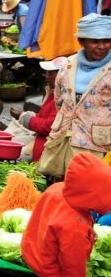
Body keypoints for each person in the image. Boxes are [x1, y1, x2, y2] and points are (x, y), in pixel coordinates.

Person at [21, 153, 111, 277]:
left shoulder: (58, 189)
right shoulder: (74, 225)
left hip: (37, 255)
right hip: (53, 273)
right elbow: (72, 262)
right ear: (92, 194)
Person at [43, 14, 111, 171]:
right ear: (82, 41)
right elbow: (59, 100)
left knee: (91, 189)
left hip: (98, 145)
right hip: (63, 140)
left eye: (107, 41)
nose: (102, 46)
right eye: (95, 41)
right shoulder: (67, 66)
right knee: (60, 186)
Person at [10, 58, 64, 162]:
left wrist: (23, 117)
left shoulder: (62, 97)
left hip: (50, 144)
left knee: (19, 154)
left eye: (51, 74)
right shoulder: (53, 92)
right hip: (41, 138)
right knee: (11, 140)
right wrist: (29, 115)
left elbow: (49, 127)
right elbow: (44, 116)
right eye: (47, 73)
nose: (46, 77)